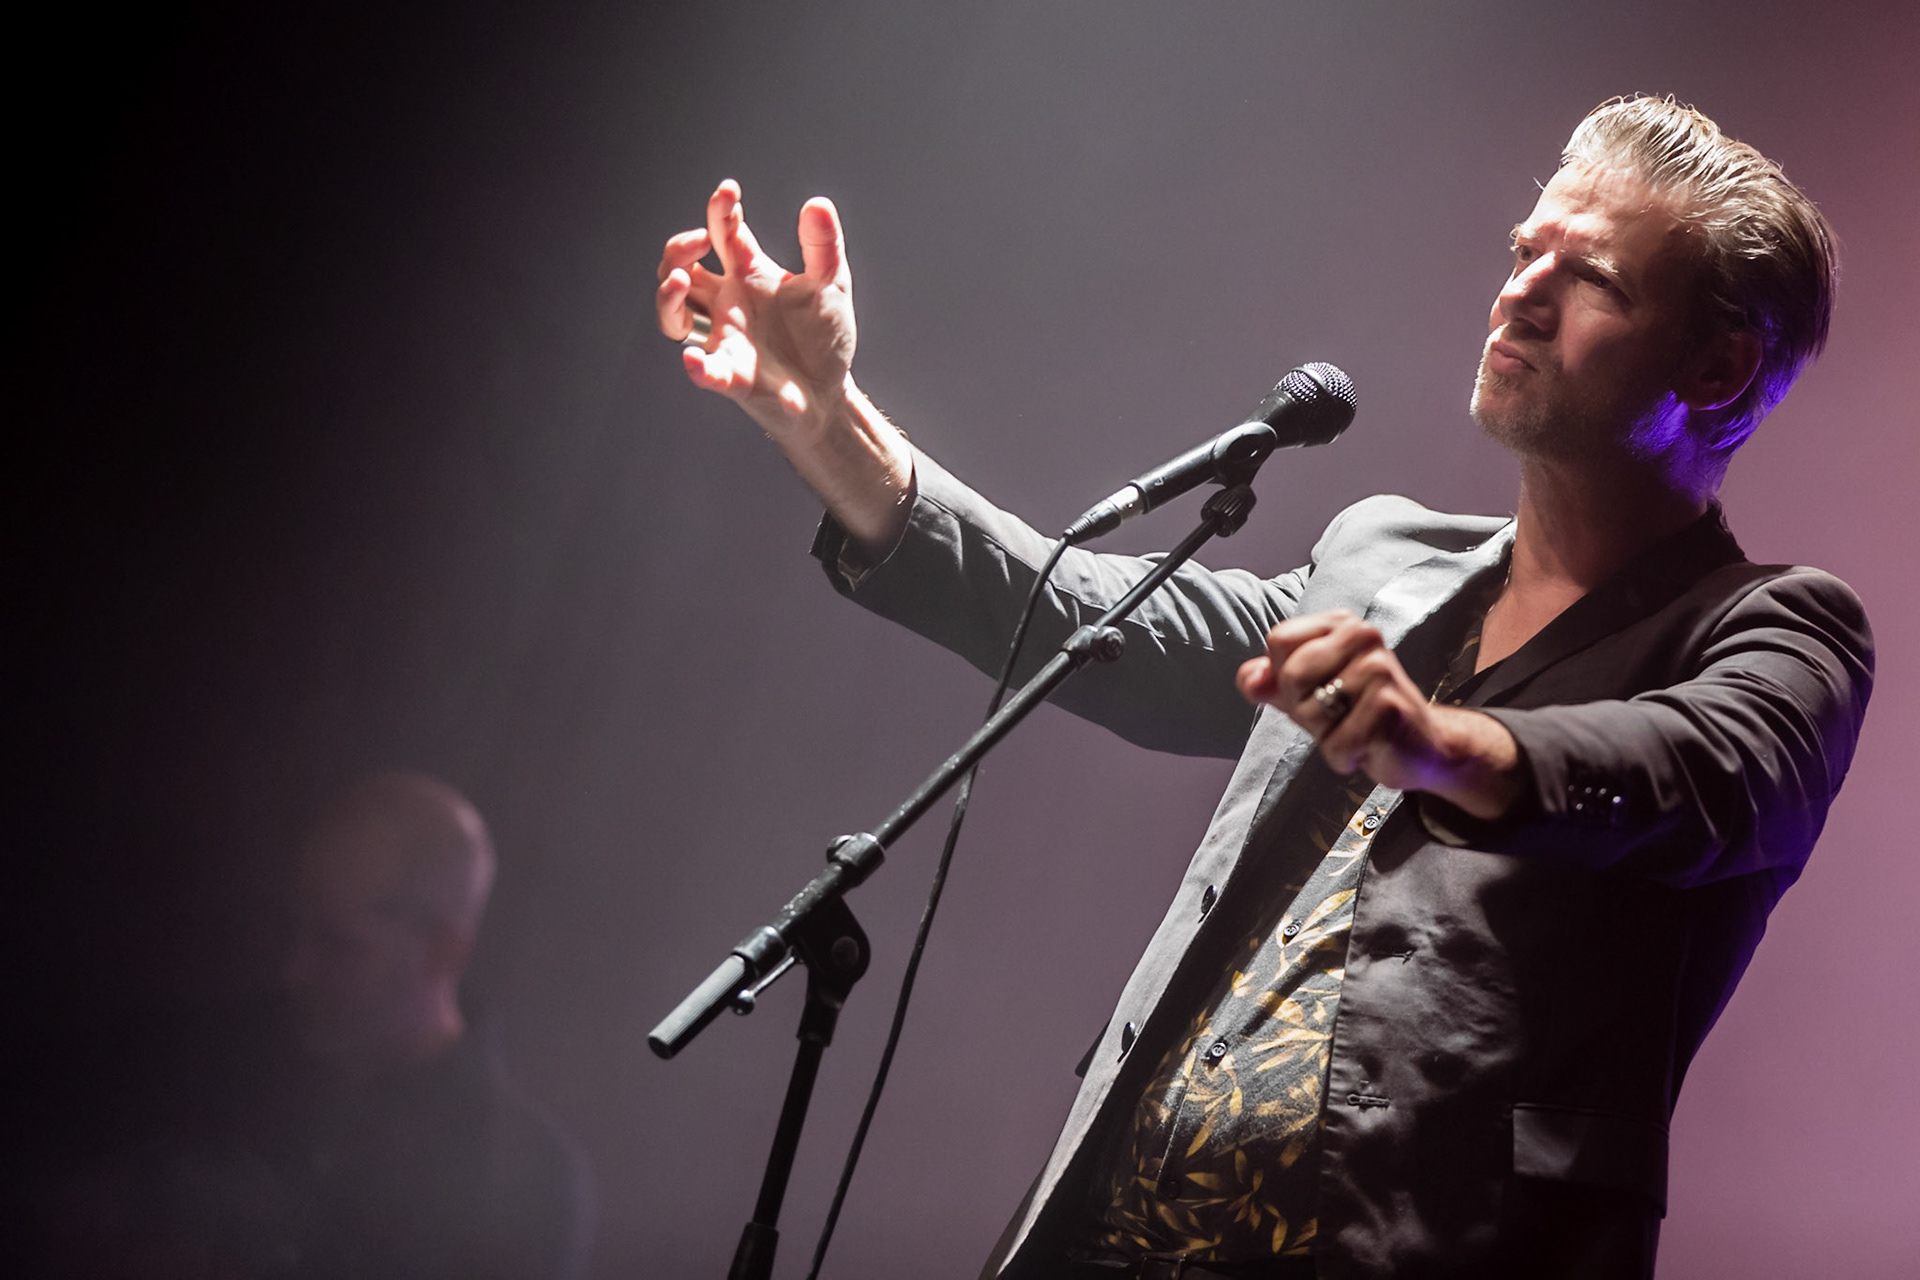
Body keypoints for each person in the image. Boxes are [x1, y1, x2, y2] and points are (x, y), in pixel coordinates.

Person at [654, 96, 1872, 1279]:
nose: (1519, 292)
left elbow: (1692, 774)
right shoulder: (1383, 557)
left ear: (1719, 365)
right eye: (1522, 249)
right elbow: (1088, 615)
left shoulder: (1772, 626)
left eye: (1592, 276)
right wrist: (822, 419)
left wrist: (1440, 744)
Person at [23, 772, 594, 1280]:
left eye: (340, 946)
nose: (295, 971)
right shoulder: (208, 1072)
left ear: (444, 951)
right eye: (296, 928)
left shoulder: (523, 1181)